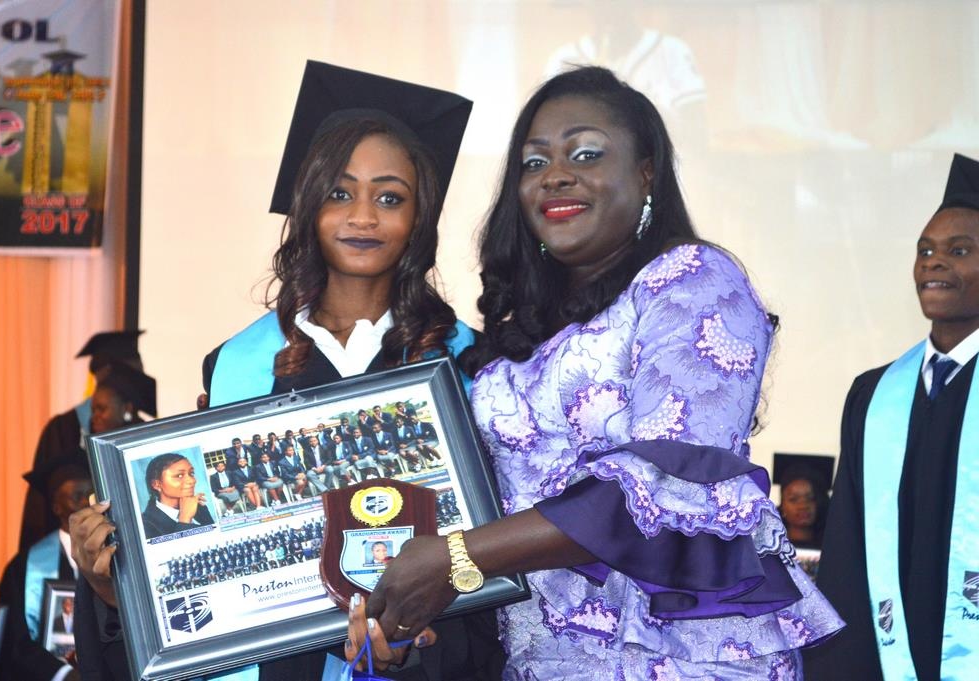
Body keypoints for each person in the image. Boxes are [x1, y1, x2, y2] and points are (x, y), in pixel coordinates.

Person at [348, 66, 842, 678]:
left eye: (585, 153)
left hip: (674, 658)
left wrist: (453, 557)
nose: (555, 174)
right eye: (534, 162)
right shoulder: (523, 332)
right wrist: (409, 610)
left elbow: (660, 485)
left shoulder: (692, 281)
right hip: (541, 659)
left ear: (646, 171)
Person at [69, 61, 503, 680]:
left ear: (420, 216)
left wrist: (408, 651)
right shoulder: (239, 364)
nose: (363, 216)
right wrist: (115, 588)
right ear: (307, 205)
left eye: (389, 197)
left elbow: (482, 563)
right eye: (339, 193)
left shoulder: (469, 363)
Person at [804, 153, 979, 681]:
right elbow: (847, 551)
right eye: (925, 250)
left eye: (959, 250)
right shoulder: (875, 394)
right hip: (882, 661)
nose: (933, 263)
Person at [20, 331, 155, 551]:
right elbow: (42, 508)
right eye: (133, 370)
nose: (139, 378)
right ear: (106, 373)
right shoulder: (63, 429)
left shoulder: (144, 430)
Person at [0, 456, 92, 681]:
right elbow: (15, 638)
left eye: (90, 495)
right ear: (56, 507)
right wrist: (63, 674)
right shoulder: (24, 567)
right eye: (77, 496)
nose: (86, 504)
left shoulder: (118, 555)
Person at [140, 453, 215, 540]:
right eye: (179, 475)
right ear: (156, 484)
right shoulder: (145, 525)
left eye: (191, 473)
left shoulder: (199, 507)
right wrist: (185, 519)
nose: (192, 480)